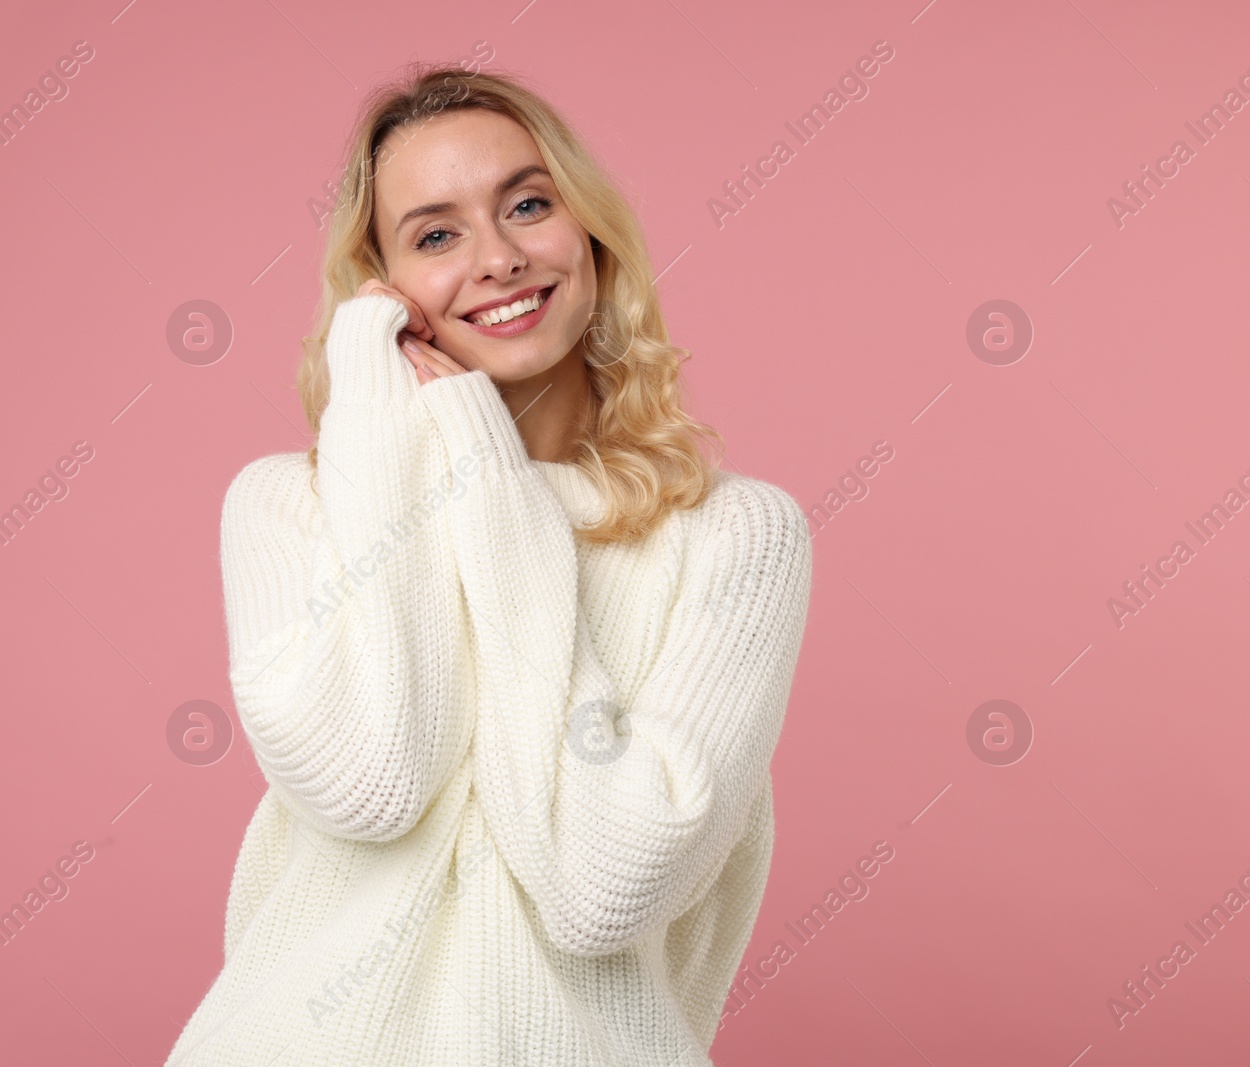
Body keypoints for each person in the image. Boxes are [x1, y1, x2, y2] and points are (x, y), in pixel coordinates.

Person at [164, 62, 812, 1067]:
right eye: (435, 234)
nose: (499, 257)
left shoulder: (735, 536)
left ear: (589, 231)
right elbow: (374, 778)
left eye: (526, 204)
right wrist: (403, 431)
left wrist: (487, 477)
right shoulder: (289, 507)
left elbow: (601, 883)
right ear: (378, 287)